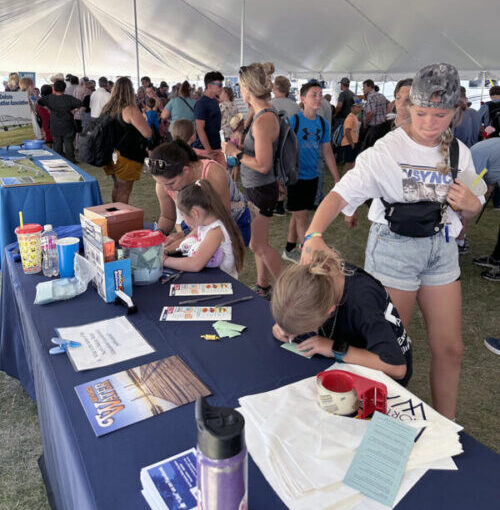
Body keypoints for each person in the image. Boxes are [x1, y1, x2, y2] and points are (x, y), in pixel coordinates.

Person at [300, 63, 485, 420]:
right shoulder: (386, 150)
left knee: (451, 349)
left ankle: (444, 426)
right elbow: (338, 195)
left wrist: (473, 207)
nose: (430, 122)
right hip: (394, 248)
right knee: (388, 351)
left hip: (441, 249)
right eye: (421, 113)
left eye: (440, 114)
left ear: (455, 112)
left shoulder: (460, 152)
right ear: (409, 108)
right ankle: (381, 422)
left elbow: (468, 208)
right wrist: (313, 235)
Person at [271, 250, 412, 385]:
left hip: (382, 376)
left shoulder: (362, 302)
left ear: (330, 311)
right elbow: (294, 302)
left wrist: (334, 348)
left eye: (307, 327)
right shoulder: (319, 276)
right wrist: (287, 322)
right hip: (352, 352)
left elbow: (397, 368)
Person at [222, 62, 282, 299]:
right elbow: (251, 117)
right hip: (258, 186)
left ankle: (292, 290)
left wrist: (235, 152)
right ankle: (263, 286)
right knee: (259, 242)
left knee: (257, 244)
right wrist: (241, 128)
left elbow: (264, 164)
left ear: (248, 88)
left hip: (261, 187)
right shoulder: (261, 113)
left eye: (240, 87)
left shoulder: (264, 120)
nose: (239, 91)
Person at [147, 140, 251, 247]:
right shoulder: (164, 182)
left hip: (230, 222)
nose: (166, 188)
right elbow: (167, 217)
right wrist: (157, 237)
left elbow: (222, 218)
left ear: (185, 170)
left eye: (171, 183)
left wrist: (185, 236)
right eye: (160, 183)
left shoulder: (213, 173)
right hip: (195, 224)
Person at [282, 80, 340, 264]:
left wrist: (337, 178)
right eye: (313, 95)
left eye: (319, 94)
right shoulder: (294, 121)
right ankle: (307, 258)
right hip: (295, 178)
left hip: (312, 176)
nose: (317, 98)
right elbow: (282, 150)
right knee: (303, 218)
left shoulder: (323, 124)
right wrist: (279, 179)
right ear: (302, 98)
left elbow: (327, 151)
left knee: (299, 213)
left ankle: (290, 248)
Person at [163, 180, 245, 279]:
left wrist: (164, 260)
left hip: (223, 285)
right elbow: (184, 244)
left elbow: (195, 264)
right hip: (210, 278)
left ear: (194, 213)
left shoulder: (215, 231)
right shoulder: (202, 224)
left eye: (183, 215)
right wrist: (165, 251)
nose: (183, 219)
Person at [101, 77, 152, 203]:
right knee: (124, 190)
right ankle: (121, 218)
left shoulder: (107, 108)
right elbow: (147, 133)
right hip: (127, 155)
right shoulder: (130, 109)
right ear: (130, 90)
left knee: (117, 187)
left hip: (110, 154)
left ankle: (116, 215)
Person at [37, 80, 82, 162]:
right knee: (68, 143)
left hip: (55, 123)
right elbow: (80, 103)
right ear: (64, 89)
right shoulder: (69, 98)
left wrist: (48, 109)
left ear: (54, 88)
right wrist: (74, 110)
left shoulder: (49, 98)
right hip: (67, 123)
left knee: (57, 143)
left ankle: (57, 160)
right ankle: (71, 160)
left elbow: (40, 101)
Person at [192, 71, 226, 167]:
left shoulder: (215, 101)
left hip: (216, 147)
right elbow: (200, 128)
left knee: (221, 177)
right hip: (204, 149)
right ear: (209, 86)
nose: (221, 87)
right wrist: (209, 150)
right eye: (219, 85)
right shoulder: (201, 103)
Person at [361, 78, 390, 150]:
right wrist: (385, 113)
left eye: (364, 87)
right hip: (383, 126)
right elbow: (389, 104)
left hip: (373, 128)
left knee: (369, 150)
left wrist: (365, 125)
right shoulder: (381, 95)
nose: (363, 89)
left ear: (370, 87)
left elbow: (371, 113)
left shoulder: (371, 97)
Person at [340, 99, 363, 172]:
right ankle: (343, 179)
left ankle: (349, 178)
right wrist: (352, 143)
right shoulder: (350, 118)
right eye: (358, 107)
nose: (360, 109)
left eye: (360, 107)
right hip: (349, 143)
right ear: (352, 108)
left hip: (353, 142)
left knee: (352, 162)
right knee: (349, 163)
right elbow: (347, 131)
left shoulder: (354, 117)